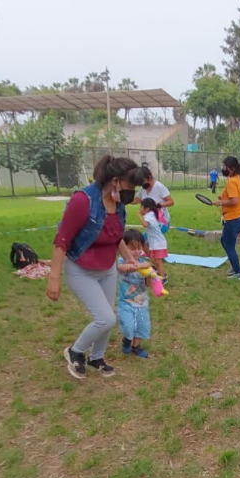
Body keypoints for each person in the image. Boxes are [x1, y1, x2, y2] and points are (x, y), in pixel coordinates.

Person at [46, 155, 144, 380]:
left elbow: (115, 235)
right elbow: (62, 240)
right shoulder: (83, 200)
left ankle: (96, 357)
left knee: (108, 317)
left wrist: (129, 258)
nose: (133, 192)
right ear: (116, 181)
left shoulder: (118, 204)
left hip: (107, 269)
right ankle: (75, 351)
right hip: (81, 270)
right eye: (131, 186)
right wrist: (54, 278)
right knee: (106, 318)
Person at [117, 229, 151, 358]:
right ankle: (127, 339)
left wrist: (149, 274)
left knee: (142, 325)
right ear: (124, 248)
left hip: (142, 302)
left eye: (139, 248)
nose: (136, 252)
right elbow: (123, 268)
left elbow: (148, 284)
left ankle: (136, 346)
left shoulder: (144, 263)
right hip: (125, 302)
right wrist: (142, 266)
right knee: (128, 326)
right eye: (132, 249)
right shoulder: (121, 261)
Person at [213, 156, 240, 281]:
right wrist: (223, 198)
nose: (223, 169)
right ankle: (235, 266)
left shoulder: (232, 182)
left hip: (234, 219)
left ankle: (238, 273)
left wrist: (220, 202)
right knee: (224, 241)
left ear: (231, 168)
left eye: (225, 166)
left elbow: (234, 201)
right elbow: (235, 197)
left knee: (229, 246)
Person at [133, 166, 174, 233]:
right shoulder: (143, 189)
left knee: (149, 239)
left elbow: (171, 202)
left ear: (149, 177)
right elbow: (135, 200)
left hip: (161, 222)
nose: (142, 185)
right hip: (151, 222)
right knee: (146, 239)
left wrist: (159, 205)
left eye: (143, 182)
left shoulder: (159, 187)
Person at [138, 198, 168, 282]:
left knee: (158, 261)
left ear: (147, 208)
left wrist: (139, 215)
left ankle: (163, 278)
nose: (140, 209)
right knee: (153, 259)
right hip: (155, 243)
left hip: (158, 243)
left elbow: (145, 224)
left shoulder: (149, 216)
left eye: (141, 207)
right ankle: (161, 273)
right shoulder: (151, 214)